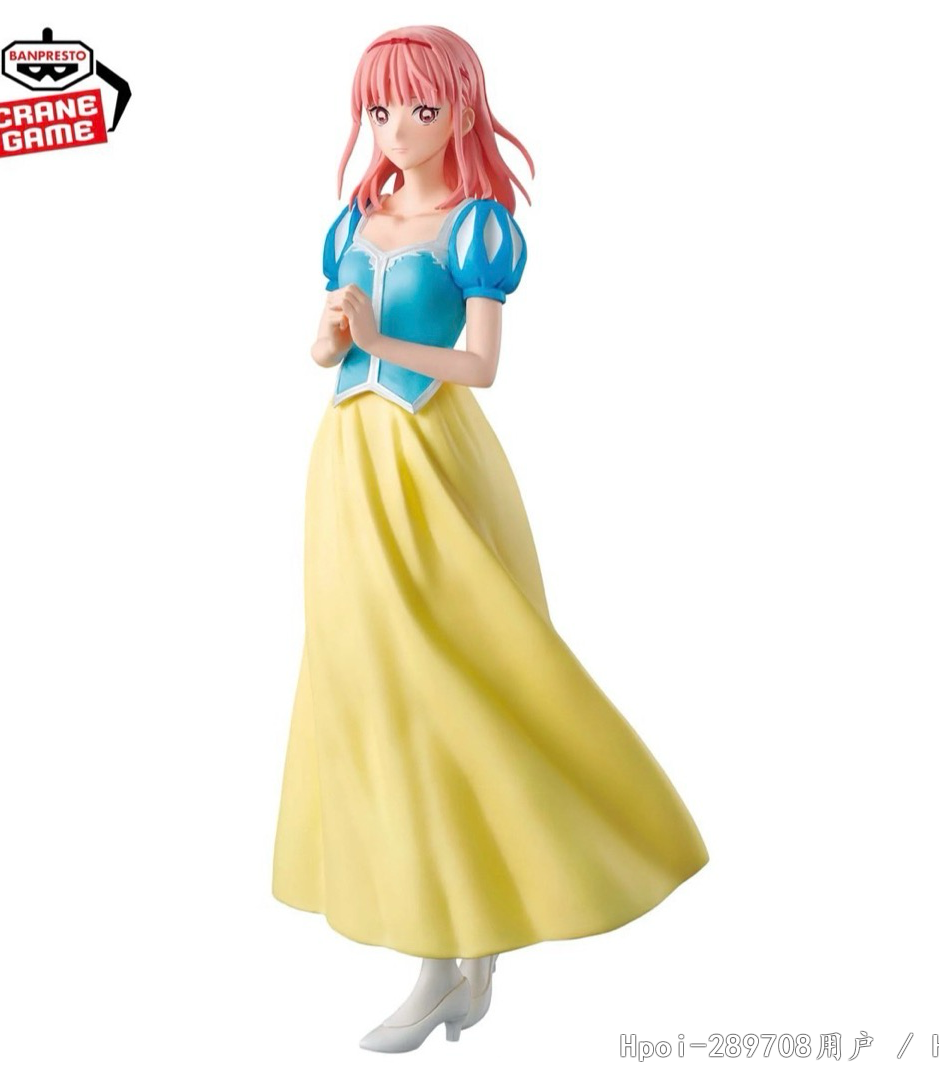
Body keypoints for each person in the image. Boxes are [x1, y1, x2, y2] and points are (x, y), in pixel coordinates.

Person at [271, 24, 709, 1053]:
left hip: (433, 457)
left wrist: (379, 338)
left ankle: (460, 954)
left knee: (459, 678)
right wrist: (333, 338)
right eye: (380, 109)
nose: (397, 128)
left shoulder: (477, 227)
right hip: (348, 461)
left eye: (420, 108)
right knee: (371, 684)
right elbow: (324, 351)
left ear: (461, 109)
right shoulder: (354, 221)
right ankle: (450, 949)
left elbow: (482, 367)